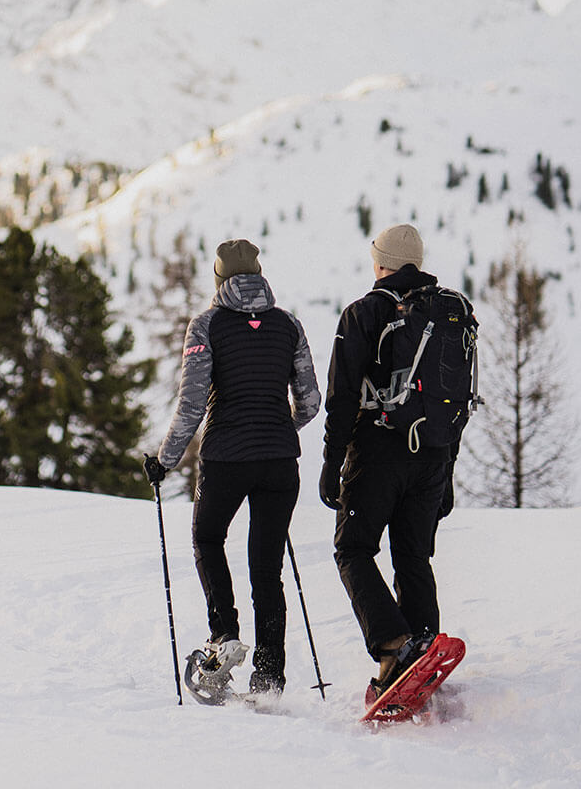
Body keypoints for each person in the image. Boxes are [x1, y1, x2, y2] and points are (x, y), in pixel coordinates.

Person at [145, 239, 321, 695]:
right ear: (258, 275)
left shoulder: (207, 326)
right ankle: (269, 677)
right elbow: (310, 401)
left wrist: (163, 462)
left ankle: (224, 636)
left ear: (220, 279)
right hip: (281, 462)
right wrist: (279, 426)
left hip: (226, 458)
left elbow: (191, 404)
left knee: (207, 537)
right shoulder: (288, 325)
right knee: (267, 570)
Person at [319, 223, 459, 701]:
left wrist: (331, 463)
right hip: (433, 454)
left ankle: (395, 648)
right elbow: (451, 401)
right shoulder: (447, 313)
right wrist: (447, 475)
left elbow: (340, 398)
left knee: (353, 549)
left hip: (378, 451)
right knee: (412, 554)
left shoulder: (363, 313)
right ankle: (423, 647)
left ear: (381, 264)